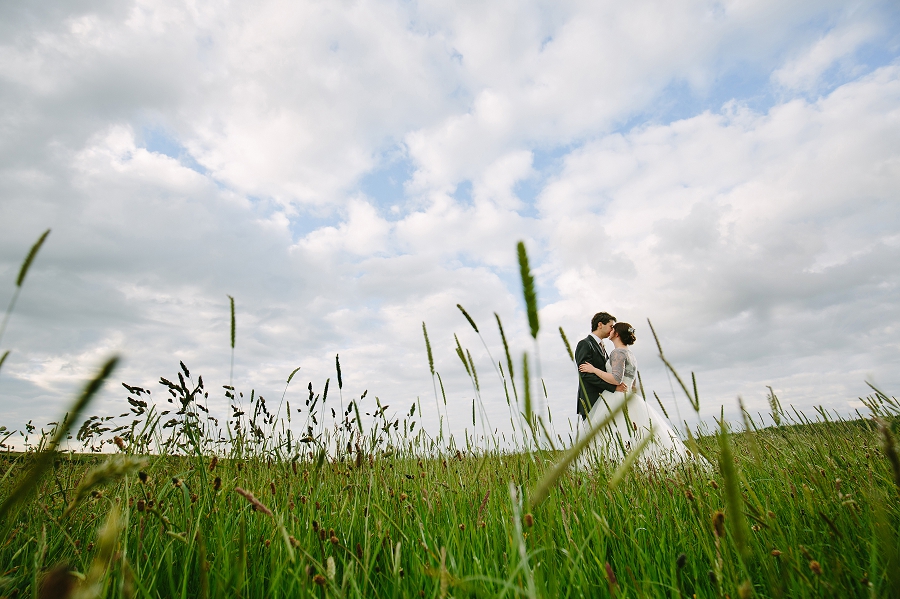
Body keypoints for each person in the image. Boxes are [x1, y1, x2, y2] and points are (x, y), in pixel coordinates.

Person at [577, 322, 689, 465]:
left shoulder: (617, 353)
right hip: (630, 396)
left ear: (616, 334)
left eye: (613, 328)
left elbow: (616, 379)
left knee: (610, 434)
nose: (610, 330)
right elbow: (633, 384)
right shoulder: (631, 355)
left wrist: (594, 370)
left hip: (616, 397)